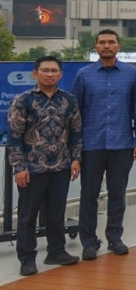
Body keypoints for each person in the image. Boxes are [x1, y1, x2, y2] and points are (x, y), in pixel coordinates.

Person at [71, 29, 136, 261]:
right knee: (89, 195)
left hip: (122, 143)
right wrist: (76, 147)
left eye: (111, 42)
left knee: (117, 194)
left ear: (118, 46)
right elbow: (76, 114)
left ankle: (114, 237)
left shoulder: (131, 74)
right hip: (91, 145)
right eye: (102, 42)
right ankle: (89, 242)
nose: (107, 46)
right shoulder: (84, 75)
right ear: (96, 46)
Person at [8, 56, 83, 276]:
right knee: (27, 215)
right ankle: (27, 258)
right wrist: (19, 167)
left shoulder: (69, 100)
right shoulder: (23, 100)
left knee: (56, 212)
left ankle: (56, 252)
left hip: (61, 166)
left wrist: (76, 158)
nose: (49, 74)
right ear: (35, 73)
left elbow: (76, 132)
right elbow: (15, 136)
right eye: (45, 70)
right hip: (31, 168)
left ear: (60, 74)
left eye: (54, 71)